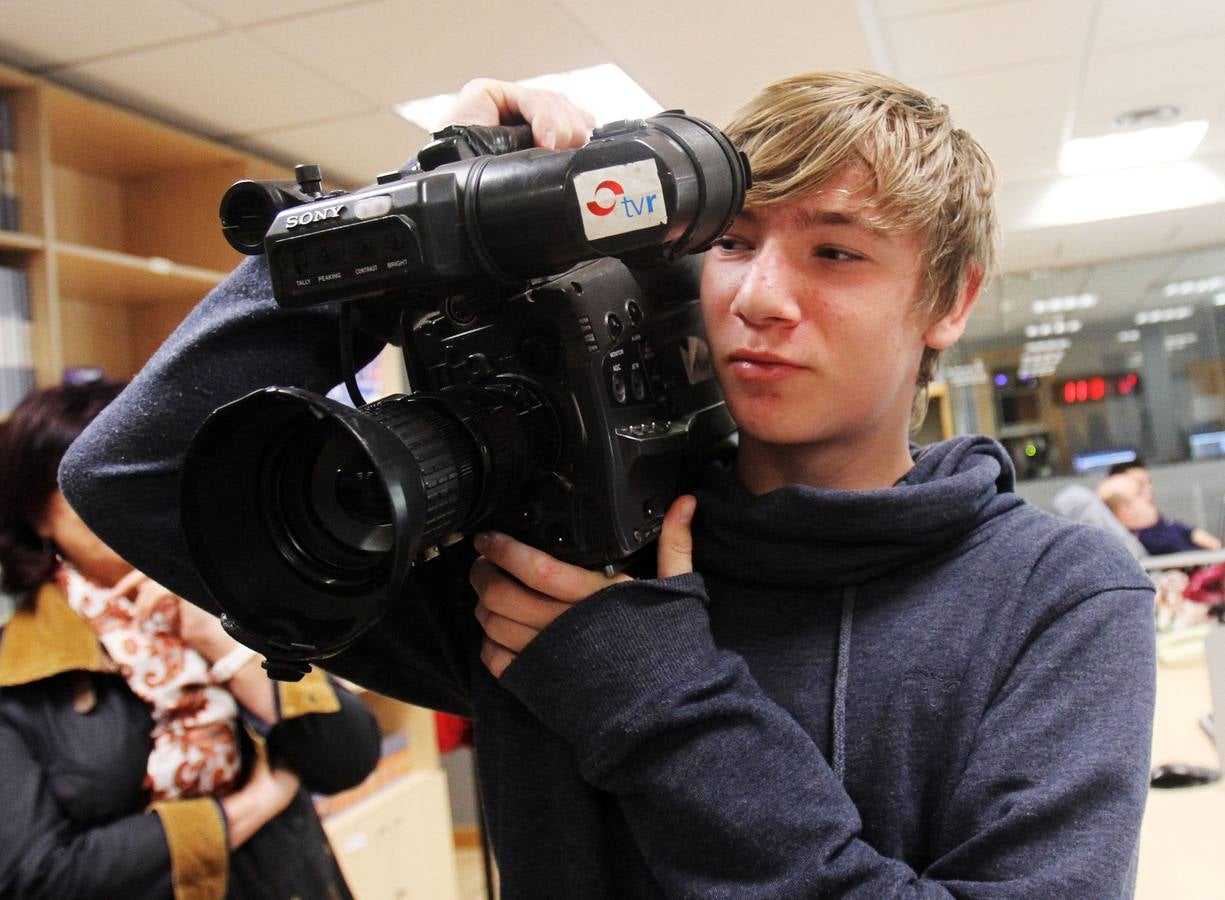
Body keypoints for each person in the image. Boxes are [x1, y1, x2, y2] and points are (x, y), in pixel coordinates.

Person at [59, 72, 1156, 898]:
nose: (762, 297)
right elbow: (135, 475)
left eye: (835, 254)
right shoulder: (558, 553)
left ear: (947, 300)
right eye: (732, 241)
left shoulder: (1054, 594)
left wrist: (654, 697)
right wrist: (428, 220)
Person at [0, 380, 381, 899]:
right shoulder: (18, 666)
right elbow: (36, 877)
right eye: (85, 480)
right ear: (35, 511)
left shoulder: (219, 590)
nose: (117, 499)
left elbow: (347, 757)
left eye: (132, 472)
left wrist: (219, 641)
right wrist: (249, 806)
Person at [1104, 458, 1221, 554]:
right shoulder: (1128, 539)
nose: (1149, 489)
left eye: (1148, 482)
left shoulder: (1161, 522)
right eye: (1140, 486)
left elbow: (1192, 533)